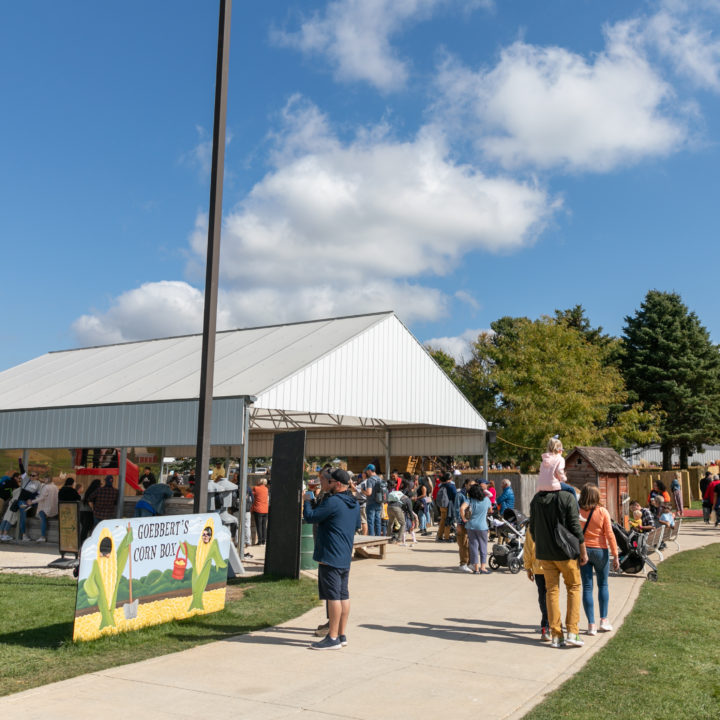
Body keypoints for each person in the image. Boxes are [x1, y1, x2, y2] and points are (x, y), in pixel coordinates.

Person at [530, 437, 588, 649]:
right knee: (573, 587)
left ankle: (556, 635)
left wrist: (541, 544)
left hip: (546, 554)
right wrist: (582, 550)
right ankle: (572, 632)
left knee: (551, 591)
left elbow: (532, 528)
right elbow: (575, 526)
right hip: (566, 552)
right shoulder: (566, 497)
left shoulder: (537, 499)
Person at [303, 468, 360, 650]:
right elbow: (357, 524)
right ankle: (342, 634)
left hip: (330, 554)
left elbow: (311, 517)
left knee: (333, 597)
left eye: (328, 481)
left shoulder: (334, 501)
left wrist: (307, 502)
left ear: (336, 484)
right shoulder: (354, 502)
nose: (324, 484)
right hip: (345, 554)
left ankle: (333, 637)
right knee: (343, 594)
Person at [578, 484, 620, 635]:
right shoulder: (602, 511)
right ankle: (604, 620)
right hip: (600, 550)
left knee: (587, 587)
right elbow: (610, 534)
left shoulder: (578, 511)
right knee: (603, 585)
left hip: (583, 551)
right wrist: (615, 555)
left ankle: (591, 624)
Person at [523, 525, 550, 642]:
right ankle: (547, 625)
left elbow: (528, 548)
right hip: (550, 567)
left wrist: (528, 567)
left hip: (540, 567)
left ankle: (546, 625)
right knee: (550, 596)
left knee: (544, 596)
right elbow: (528, 547)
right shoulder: (553, 521)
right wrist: (528, 567)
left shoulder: (532, 526)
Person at [461, 483, 492, 573]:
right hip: (482, 526)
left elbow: (462, 508)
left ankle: (476, 568)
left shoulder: (469, 500)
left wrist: (464, 518)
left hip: (470, 526)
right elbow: (490, 510)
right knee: (483, 546)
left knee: (473, 546)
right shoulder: (486, 500)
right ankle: (483, 567)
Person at [454, 478, 474, 572]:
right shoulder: (460, 495)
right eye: (470, 485)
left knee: (469, 544)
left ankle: (469, 563)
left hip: (470, 522)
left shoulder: (471, 494)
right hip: (462, 523)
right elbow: (457, 509)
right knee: (463, 543)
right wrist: (458, 523)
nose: (472, 487)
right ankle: (463, 563)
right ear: (465, 484)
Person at [31, 476, 59, 542]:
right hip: (53, 508)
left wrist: (32, 502)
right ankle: (43, 536)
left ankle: (43, 536)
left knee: (43, 521)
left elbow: (41, 497)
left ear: (47, 479)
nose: (43, 480)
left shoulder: (46, 487)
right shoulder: (55, 487)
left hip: (44, 507)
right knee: (44, 520)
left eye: (45, 479)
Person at [362, 464, 386, 537]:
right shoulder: (380, 479)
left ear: (369, 470)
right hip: (379, 502)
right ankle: (378, 539)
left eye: (367, 471)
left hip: (371, 503)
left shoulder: (370, 480)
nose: (366, 472)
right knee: (378, 521)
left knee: (370, 522)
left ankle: (371, 539)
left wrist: (363, 490)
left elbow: (369, 493)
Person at [251, 477, 269, 545]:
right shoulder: (266, 489)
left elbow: (252, 496)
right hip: (265, 510)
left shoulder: (256, 488)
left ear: (260, 482)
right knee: (264, 526)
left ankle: (260, 541)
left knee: (259, 526)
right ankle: (264, 540)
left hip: (258, 509)